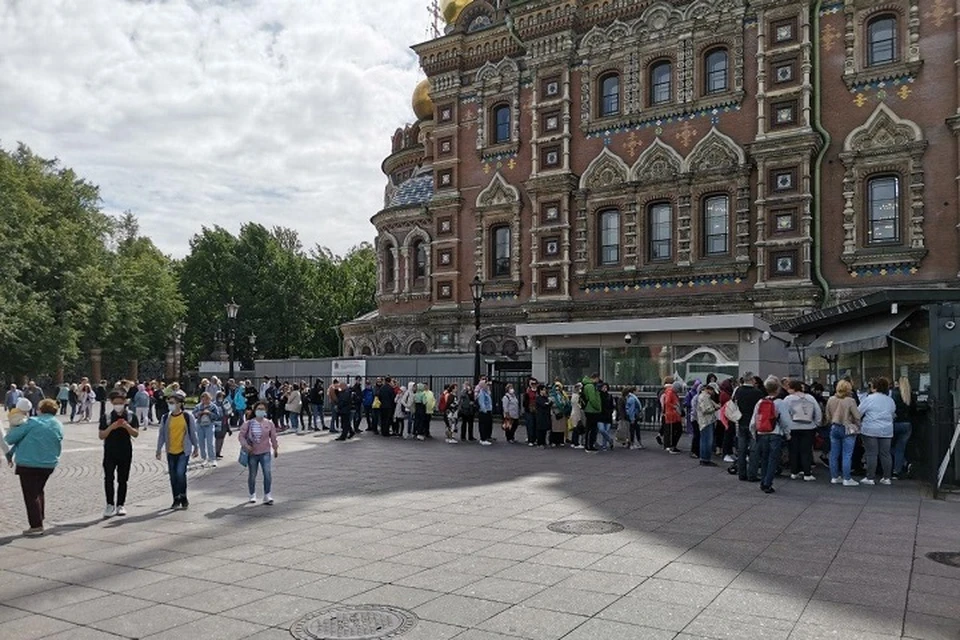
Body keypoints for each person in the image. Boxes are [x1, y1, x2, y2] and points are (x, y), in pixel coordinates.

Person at [4, 399, 63, 536]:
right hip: (49, 463)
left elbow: (10, 438)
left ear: (41, 410)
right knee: (39, 491)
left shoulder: (33, 422)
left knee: (30, 495)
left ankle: (36, 525)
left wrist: (13, 427)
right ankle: (40, 517)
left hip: (29, 463)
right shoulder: (58, 424)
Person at [99, 390, 139, 518]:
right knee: (109, 478)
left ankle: (120, 504)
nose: (119, 405)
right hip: (110, 451)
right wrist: (112, 427)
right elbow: (101, 435)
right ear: (111, 403)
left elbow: (135, 433)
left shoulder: (131, 416)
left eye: (121, 403)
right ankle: (109, 504)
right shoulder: (107, 416)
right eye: (116, 403)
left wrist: (126, 426)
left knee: (123, 479)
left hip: (125, 451)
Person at [156, 395, 199, 509]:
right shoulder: (165, 417)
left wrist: (196, 447)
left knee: (180, 473)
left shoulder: (187, 416)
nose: (170, 404)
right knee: (173, 476)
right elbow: (162, 434)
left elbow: (192, 432)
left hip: (183, 450)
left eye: (172, 402)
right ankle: (176, 498)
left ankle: (183, 496)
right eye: (169, 402)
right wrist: (158, 449)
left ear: (180, 403)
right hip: (170, 450)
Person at [749, 377, 788, 494]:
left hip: (762, 433)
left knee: (764, 458)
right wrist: (787, 433)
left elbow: (754, 419)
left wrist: (754, 433)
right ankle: (767, 483)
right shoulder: (780, 403)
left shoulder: (760, 402)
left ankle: (763, 481)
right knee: (773, 459)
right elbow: (785, 421)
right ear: (777, 389)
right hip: (775, 433)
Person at [782, 379, 823, 481]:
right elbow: (818, 412)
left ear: (792, 388)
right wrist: (817, 423)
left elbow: (784, 414)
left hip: (792, 427)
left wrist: (786, 427)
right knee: (806, 451)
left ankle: (794, 472)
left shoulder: (788, 399)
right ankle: (807, 473)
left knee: (794, 450)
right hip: (808, 427)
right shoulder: (810, 398)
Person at [859, 377, 896, 486]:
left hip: (870, 429)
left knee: (871, 454)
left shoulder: (869, 398)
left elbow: (859, 411)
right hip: (887, 430)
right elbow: (893, 412)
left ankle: (870, 477)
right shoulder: (890, 400)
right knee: (885, 454)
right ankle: (887, 477)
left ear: (875, 387)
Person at [240, 402, 279, 504]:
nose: (260, 411)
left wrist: (275, 448)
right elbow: (241, 436)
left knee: (267, 473)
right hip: (252, 453)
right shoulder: (248, 423)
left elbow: (273, 437)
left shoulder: (269, 423)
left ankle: (267, 494)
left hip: (265, 452)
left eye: (262, 409)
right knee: (252, 474)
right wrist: (246, 445)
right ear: (255, 410)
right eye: (258, 409)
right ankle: (252, 494)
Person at [826, 379, 862, 486]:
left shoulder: (831, 399)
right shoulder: (850, 401)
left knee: (834, 454)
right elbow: (857, 416)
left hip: (834, 427)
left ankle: (834, 477)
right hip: (847, 428)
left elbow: (827, 415)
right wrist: (858, 426)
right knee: (847, 454)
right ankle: (847, 478)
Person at [735, 374, 765, 482]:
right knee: (754, 450)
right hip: (753, 422)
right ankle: (752, 474)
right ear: (752, 380)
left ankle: (741, 474)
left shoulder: (738, 390)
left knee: (741, 449)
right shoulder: (757, 393)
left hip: (741, 421)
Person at [192, 392, 221, 468]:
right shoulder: (198, 406)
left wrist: (209, 413)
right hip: (200, 425)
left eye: (207, 398)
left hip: (209, 425)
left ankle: (212, 459)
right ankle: (204, 458)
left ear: (210, 398)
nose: (205, 400)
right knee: (201, 442)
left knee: (210, 442)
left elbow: (217, 416)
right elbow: (194, 414)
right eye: (203, 398)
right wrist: (199, 413)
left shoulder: (213, 406)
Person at [892, 377, 913, 478]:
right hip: (907, 424)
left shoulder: (894, 393)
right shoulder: (910, 394)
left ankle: (904, 462)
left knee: (886, 447)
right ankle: (897, 470)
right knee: (900, 448)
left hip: (895, 424)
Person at [696, 382, 721, 466]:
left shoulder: (705, 396)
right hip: (706, 422)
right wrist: (715, 408)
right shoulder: (704, 397)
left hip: (705, 421)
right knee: (707, 441)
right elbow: (705, 410)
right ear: (710, 389)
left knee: (704, 440)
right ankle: (705, 459)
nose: (714, 393)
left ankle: (704, 458)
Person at [580, 373, 602, 453]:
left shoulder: (587, 385)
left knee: (590, 428)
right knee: (592, 429)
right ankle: (589, 445)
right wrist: (598, 407)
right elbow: (592, 399)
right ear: (595, 378)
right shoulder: (590, 386)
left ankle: (589, 445)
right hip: (592, 410)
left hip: (589, 409)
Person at [549, 382, 571, 447]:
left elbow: (565, 402)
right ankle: (553, 441)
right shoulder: (551, 396)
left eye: (559, 389)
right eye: (556, 389)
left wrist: (564, 404)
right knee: (554, 428)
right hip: (555, 414)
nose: (557, 391)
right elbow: (551, 404)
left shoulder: (562, 396)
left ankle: (561, 441)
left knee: (561, 428)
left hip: (562, 413)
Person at [597, 382, 615, 452]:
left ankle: (604, 445)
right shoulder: (598, 395)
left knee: (606, 430)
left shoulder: (609, 396)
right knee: (602, 430)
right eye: (603, 387)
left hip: (608, 415)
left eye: (606, 387)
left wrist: (611, 411)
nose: (604, 389)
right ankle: (610, 440)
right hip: (600, 415)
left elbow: (612, 405)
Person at [215, 391, 233, 459]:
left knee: (222, 438)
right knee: (218, 438)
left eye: (222, 397)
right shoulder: (215, 404)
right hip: (218, 423)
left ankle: (218, 452)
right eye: (220, 397)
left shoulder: (225, 403)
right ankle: (216, 452)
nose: (221, 398)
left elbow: (229, 411)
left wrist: (229, 412)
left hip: (225, 423)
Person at [476, 380, 494, 446]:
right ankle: (483, 439)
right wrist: (485, 410)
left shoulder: (486, 392)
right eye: (486, 384)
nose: (487, 386)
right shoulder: (482, 393)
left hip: (487, 410)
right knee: (483, 425)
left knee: (486, 425)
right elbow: (482, 403)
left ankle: (485, 437)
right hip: (484, 412)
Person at [534, 384, 552, 448]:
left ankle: (543, 442)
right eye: (543, 390)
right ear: (540, 391)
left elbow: (548, 405)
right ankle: (539, 443)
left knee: (544, 430)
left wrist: (550, 402)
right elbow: (543, 405)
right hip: (540, 416)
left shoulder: (545, 398)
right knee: (540, 430)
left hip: (546, 415)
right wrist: (547, 403)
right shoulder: (538, 398)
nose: (545, 391)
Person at [522, 378, 538, 445]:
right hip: (529, 410)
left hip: (537, 410)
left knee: (536, 425)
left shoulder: (538, 391)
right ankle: (530, 440)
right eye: (532, 383)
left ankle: (535, 439)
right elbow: (524, 402)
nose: (533, 385)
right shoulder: (527, 392)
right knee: (530, 425)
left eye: (535, 383)